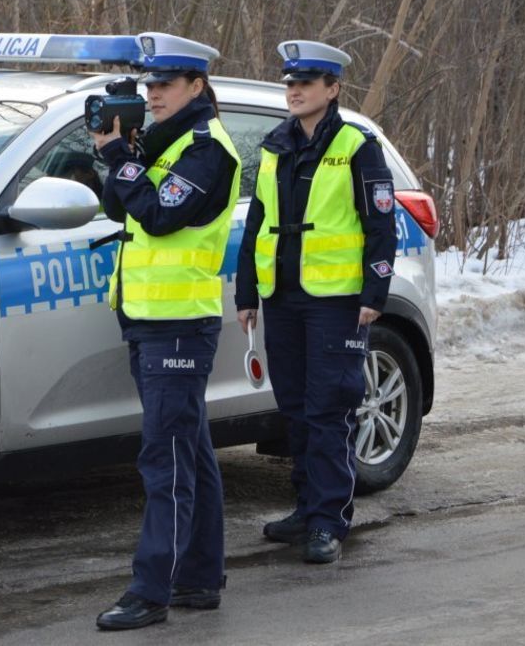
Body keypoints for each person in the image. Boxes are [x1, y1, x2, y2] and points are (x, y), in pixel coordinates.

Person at [90, 33, 242, 631]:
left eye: (164, 84)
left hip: (178, 325)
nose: (152, 95)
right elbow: (118, 206)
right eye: (149, 85)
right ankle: (201, 578)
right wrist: (118, 154)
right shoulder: (165, 142)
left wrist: (124, 162)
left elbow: (156, 212)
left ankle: (151, 591)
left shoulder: (208, 150)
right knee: (191, 453)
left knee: (166, 459)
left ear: (196, 86)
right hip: (149, 319)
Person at [234, 40, 398, 564]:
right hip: (282, 297)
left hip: (336, 301)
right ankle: (306, 509)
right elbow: (257, 223)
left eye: (306, 83)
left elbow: (380, 223)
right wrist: (247, 292)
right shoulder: (274, 145)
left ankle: (330, 520)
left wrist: (375, 291)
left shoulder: (356, 145)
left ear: (332, 89)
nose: (295, 91)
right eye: (290, 83)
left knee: (330, 409)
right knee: (297, 409)